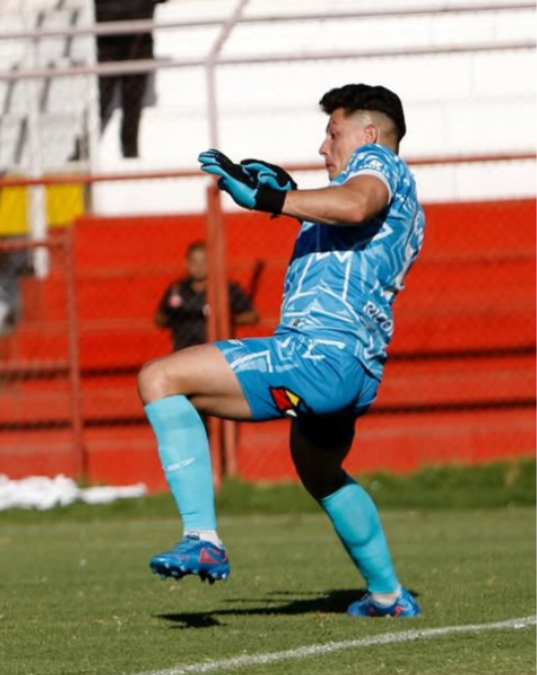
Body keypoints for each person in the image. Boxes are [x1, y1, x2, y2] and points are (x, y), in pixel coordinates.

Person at [137, 84, 424, 618]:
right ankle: (387, 595)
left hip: (319, 355)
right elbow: (349, 220)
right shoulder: (386, 196)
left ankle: (202, 537)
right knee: (318, 469)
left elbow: (358, 201)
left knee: (160, 378)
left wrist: (271, 199)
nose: (323, 147)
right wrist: (290, 197)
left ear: (367, 134)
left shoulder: (378, 163)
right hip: (356, 369)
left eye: (332, 133)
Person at [154, 241, 259, 352]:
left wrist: (224, 318)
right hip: (183, 352)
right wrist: (176, 316)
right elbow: (160, 318)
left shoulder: (226, 288)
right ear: (187, 263)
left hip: (216, 352)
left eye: (204, 261)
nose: (199, 267)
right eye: (194, 261)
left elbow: (252, 316)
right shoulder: (177, 289)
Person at [95, 0, 167, 158]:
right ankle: (129, 155)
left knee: (109, 103)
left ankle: (129, 156)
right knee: (110, 103)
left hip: (123, 40)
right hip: (122, 41)